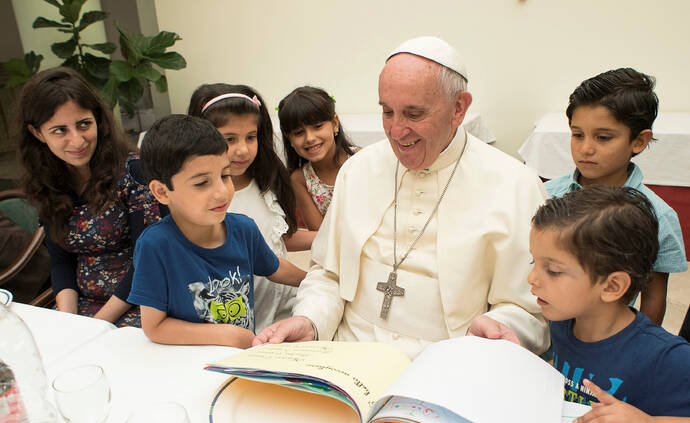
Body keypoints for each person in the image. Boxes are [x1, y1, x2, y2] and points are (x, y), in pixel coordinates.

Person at [255, 36, 549, 359]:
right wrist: (310, 320)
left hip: (451, 361)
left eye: (413, 114)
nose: (396, 132)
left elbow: (529, 309)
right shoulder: (358, 170)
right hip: (348, 355)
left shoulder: (516, 186)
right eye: (387, 112)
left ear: (458, 108)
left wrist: (496, 329)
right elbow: (327, 274)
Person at [528, 185, 690, 423]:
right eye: (532, 262)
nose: (532, 279)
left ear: (612, 286)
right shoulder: (562, 322)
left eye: (554, 270)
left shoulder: (666, 357)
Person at [128, 115, 305, 347]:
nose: (222, 192)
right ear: (161, 192)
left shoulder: (243, 228)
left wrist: (320, 280)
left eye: (225, 175)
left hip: (242, 355)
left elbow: (275, 267)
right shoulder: (156, 245)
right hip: (190, 362)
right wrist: (228, 335)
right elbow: (154, 327)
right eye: (202, 183)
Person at [17, 67, 163, 326]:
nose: (77, 140)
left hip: (143, 305)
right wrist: (69, 322)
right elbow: (61, 264)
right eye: (59, 130)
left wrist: (96, 324)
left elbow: (148, 261)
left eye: (84, 124)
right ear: (37, 133)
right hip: (82, 309)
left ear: (97, 120)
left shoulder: (134, 173)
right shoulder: (45, 182)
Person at [545, 68, 687, 325]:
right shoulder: (547, 194)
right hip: (541, 332)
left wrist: (635, 350)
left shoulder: (658, 216)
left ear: (639, 141)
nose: (585, 148)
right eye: (577, 135)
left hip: (604, 340)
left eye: (603, 137)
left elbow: (654, 296)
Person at [188, 84, 313, 332]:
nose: (243, 150)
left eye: (251, 137)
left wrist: (326, 240)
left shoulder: (266, 181)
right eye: (229, 139)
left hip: (287, 307)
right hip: (240, 323)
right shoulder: (202, 205)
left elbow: (278, 238)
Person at [278, 86, 359, 230]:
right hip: (333, 250)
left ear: (335, 123)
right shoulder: (300, 179)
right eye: (298, 132)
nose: (309, 138)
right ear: (288, 138)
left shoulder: (361, 159)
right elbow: (318, 234)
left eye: (317, 126)